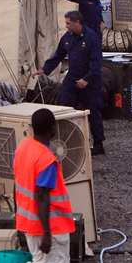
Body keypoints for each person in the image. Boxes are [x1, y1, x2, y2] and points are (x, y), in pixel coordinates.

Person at [1, 108, 74, 263]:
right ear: (52, 129)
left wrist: (17, 214)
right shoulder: (46, 160)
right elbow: (42, 197)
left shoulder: (22, 148)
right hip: (51, 226)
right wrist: (47, 234)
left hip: (28, 223)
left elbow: (18, 184)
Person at [32, 11, 105, 155]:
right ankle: (67, 140)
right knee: (64, 107)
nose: (66, 26)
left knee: (93, 111)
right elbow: (58, 55)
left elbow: (97, 63)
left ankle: (98, 143)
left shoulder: (92, 37)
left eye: (68, 23)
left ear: (77, 23)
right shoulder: (68, 37)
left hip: (90, 80)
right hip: (72, 78)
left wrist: (87, 79)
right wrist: (44, 70)